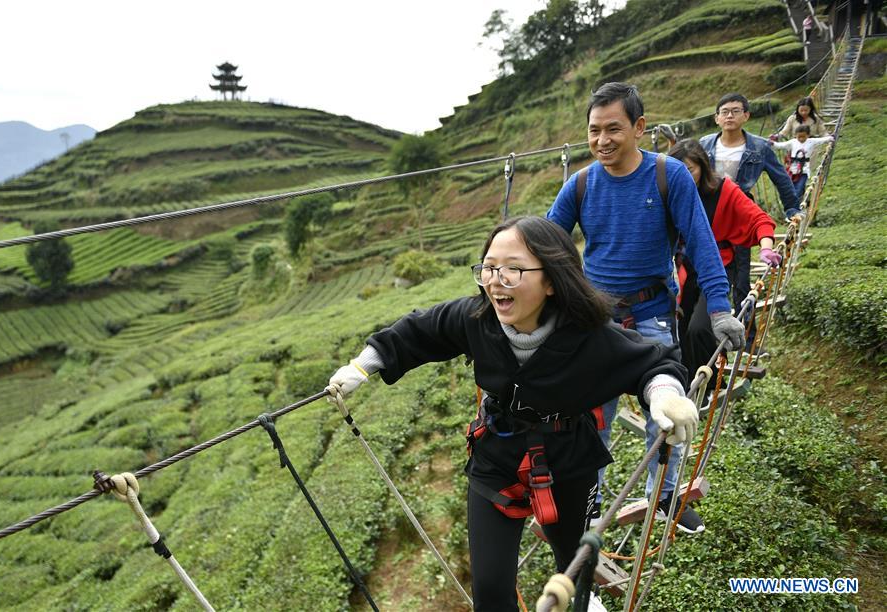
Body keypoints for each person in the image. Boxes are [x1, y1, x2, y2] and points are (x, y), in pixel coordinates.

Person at [328, 216, 697, 611]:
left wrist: (664, 396)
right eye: (489, 268)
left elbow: (654, 362)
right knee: (489, 588)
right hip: (497, 454)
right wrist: (364, 365)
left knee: (574, 557)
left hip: (569, 457)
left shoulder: (589, 335)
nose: (495, 281)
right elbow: (420, 330)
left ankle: (581, 597)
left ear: (552, 280)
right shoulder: (476, 319)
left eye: (513, 269)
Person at [546, 82, 744, 535]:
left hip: (651, 316)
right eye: (594, 131)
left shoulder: (668, 175)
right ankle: (589, 505)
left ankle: (666, 494)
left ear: (639, 127)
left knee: (668, 414)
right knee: (592, 420)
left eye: (613, 129)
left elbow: (701, 243)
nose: (602, 140)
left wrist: (719, 309)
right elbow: (547, 245)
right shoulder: (580, 184)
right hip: (595, 321)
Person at [668, 139, 782, 386]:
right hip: (684, 269)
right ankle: (690, 385)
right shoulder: (668, 194)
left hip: (719, 264)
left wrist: (766, 248)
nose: (683, 176)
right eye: (677, 170)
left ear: (703, 167)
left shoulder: (723, 190)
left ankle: (709, 385)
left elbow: (758, 219)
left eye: (689, 169)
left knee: (701, 328)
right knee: (681, 330)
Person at [700, 92, 801, 350]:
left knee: (742, 281)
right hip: (709, 214)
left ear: (746, 115)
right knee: (711, 275)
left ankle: (748, 339)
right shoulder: (704, 144)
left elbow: (781, 178)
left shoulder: (759, 147)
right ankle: (711, 336)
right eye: (724, 112)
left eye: (736, 111)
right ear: (716, 118)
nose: (729, 116)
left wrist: (792, 208)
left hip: (741, 213)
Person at [771, 125, 834, 198]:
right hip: (792, 170)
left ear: (808, 135)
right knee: (791, 187)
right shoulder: (793, 142)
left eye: (803, 136)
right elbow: (781, 145)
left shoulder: (811, 141)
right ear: (796, 135)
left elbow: (822, 140)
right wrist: (772, 143)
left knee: (799, 187)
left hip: (804, 170)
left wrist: (831, 138)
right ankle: (799, 199)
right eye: (799, 137)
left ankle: (796, 200)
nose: (801, 139)